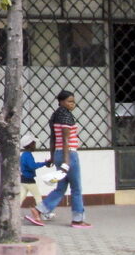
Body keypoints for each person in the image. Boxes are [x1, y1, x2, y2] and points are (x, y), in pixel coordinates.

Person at [28, 90, 91, 228]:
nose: (72, 104)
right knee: (76, 188)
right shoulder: (66, 116)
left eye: (73, 101)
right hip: (69, 155)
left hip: (58, 153)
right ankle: (77, 219)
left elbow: (53, 139)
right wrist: (67, 162)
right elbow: (66, 140)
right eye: (69, 101)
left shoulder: (55, 115)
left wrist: (52, 157)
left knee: (61, 187)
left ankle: (39, 210)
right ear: (61, 101)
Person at [20, 133, 53, 225]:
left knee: (21, 197)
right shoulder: (28, 155)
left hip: (23, 179)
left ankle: (12, 213)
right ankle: (45, 214)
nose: (35, 145)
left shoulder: (23, 155)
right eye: (34, 143)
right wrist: (44, 163)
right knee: (38, 197)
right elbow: (32, 166)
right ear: (29, 145)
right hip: (29, 180)